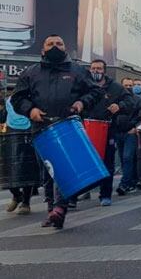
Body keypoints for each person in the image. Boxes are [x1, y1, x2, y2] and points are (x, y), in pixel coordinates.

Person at [11, 34, 102, 229]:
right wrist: (31, 110)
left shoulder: (77, 71)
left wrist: (81, 102)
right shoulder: (30, 72)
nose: (55, 47)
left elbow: (95, 92)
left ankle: (60, 209)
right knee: (47, 171)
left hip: (68, 126)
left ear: (65, 48)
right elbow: (17, 98)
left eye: (59, 43)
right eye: (50, 44)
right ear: (43, 49)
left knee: (63, 168)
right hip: (41, 129)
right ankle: (51, 209)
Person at [85, 59, 135, 207]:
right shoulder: (84, 85)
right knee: (85, 162)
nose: (96, 71)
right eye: (93, 68)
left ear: (104, 71)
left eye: (99, 68)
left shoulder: (115, 87)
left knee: (108, 162)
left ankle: (105, 194)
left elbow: (130, 102)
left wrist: (119, 106)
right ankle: (78, 194)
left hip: (107, 129)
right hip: (86, 128)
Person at [3, 90, 37, 215]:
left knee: (27, 170)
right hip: (10, 134)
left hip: (28, 133)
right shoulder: (8, 103)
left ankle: (26, 202)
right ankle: (16, 195)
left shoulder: (32, 102)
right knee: (9, 170)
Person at [114, 77, 141, 195]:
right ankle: (131, 181)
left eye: (131, 85)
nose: (129, 87)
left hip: (130, 132)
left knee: (127, 157)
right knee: (123, 158)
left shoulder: (137, 100)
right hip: (118, 132)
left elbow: (140, 115)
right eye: (126, 85)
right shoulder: (117, 99)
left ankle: (124, 184)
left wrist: (135, 127)